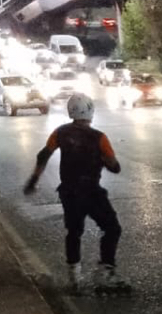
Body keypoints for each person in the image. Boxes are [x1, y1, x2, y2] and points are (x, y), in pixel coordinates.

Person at [23, 92, 126, 291]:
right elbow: (115, 167)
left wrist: (33, 180)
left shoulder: (60, 133)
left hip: (69, 192)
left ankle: (74, 279)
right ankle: (105, 273)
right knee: (112, 228)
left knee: (74, 232)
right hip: (92, 192)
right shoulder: (99, 138)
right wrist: (104, 161)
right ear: (90, 112)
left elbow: (43, 155)